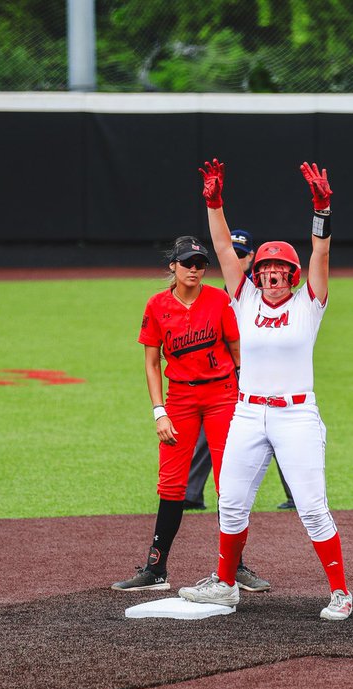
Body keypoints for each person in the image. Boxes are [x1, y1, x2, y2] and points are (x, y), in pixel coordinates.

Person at [177, 158, 353, 620]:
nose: (273, 275)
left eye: (282, 269)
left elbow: (321, 255)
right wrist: (214, 203)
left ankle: (340, 593)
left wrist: (321, 209)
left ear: (293, 277)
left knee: (312, 509)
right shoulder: (245, 297)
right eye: (267, 268)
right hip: (249, 414)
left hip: (296, 415)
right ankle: (226, 585)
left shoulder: (310, 304)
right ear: (257, 274)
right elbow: (220, 246)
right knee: (231, 503)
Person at [110, 236, 269, 593]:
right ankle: (155, 569)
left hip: (222, 396)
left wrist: (245, 398)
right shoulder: (157, 305)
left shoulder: (219, 300)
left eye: (200, 263)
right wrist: (158, 412)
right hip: (179, 399)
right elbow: (152, 364)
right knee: (171, 484)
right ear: (173, 266)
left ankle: (235, 567)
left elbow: (237, 351)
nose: (194, 269)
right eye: (187, 263)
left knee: (229, 484)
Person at [184, 229, 297, 512]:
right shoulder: (216, 293)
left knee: (277, 431)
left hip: (257, 373)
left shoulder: (257, 291)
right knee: (210, 431)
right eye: (229, 253)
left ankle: (297, 494)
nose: (234, 259)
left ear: (250, 259)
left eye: (240, 255)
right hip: (223, 372)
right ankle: (192, 493)